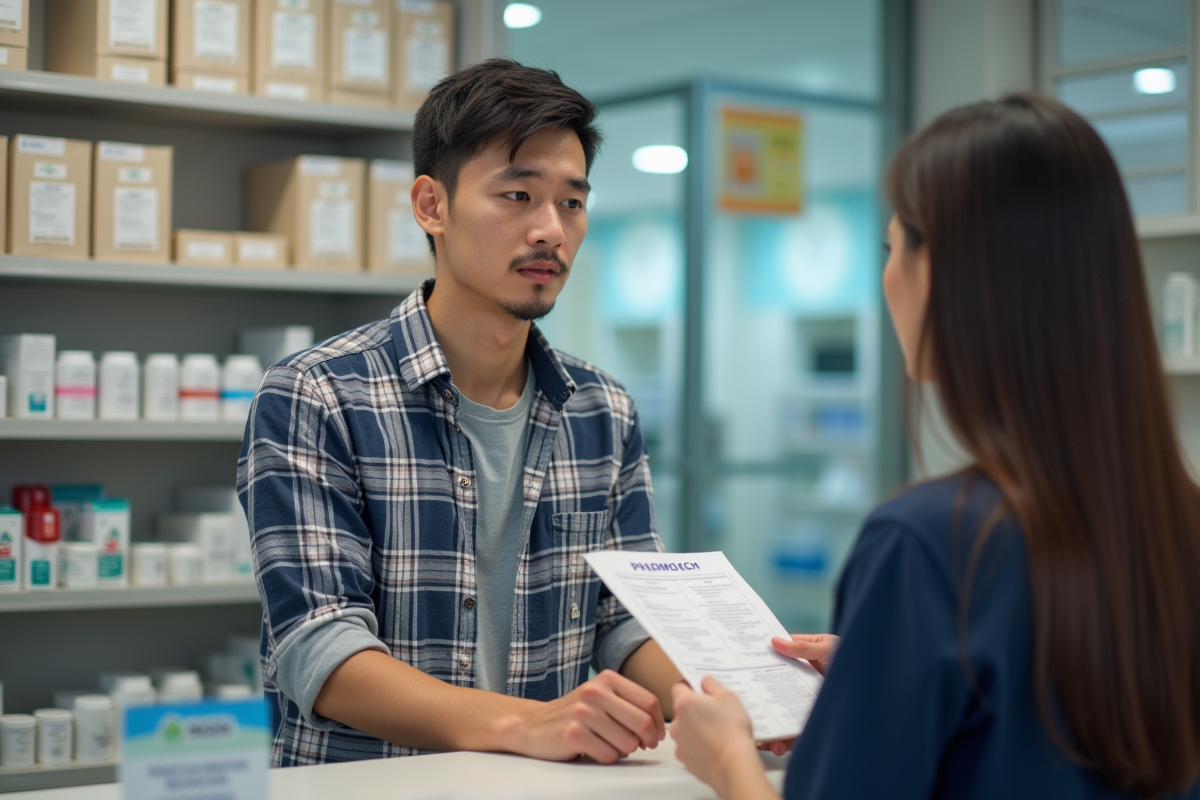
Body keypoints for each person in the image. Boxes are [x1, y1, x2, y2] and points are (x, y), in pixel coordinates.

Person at [669, 93, 1200, 799]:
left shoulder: (928, 543)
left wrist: (729, 756)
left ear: (940, 273)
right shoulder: (1179, 524)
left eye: (892, 248)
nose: (888, 276)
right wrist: (879, 671)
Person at [237, 58, 683, 767]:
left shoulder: (601, 407)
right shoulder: (317, 393)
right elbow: (322, 650)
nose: (550, 231)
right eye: (516, 195)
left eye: (571, 203)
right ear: (431, 206)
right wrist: (526, 725)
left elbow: (625, 619)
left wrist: (718, 697)